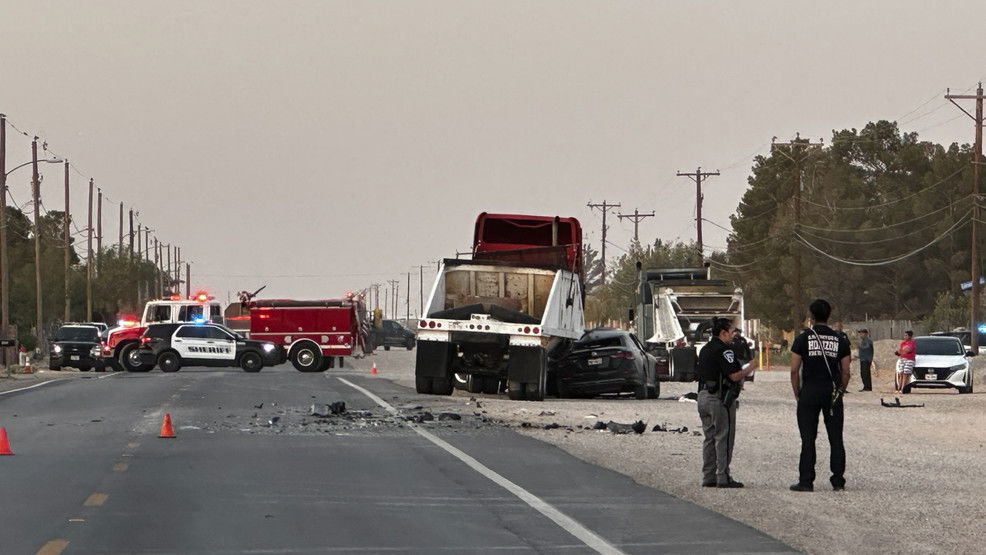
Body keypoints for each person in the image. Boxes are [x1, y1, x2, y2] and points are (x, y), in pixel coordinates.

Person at [789, 299, 851, 492]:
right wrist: (840, 390)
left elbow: (794, 370)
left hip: (810, 391)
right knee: (836, 438)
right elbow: (846, 371)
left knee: (808, 438)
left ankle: (806, 480)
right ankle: (838, 480)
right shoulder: (840, 339)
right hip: (832, 392)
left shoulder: (802, 339)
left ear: (811, 317)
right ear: (828, 315)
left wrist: (798, 392)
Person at [696, 317, 755, 488]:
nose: (733, 335)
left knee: (709, 437)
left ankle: (708, 476)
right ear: (722, 333)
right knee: (724, 437)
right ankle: (723, 476)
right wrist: (750, 367)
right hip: (719, 399)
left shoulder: (705, 349)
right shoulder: (724, 351)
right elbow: (734, 375)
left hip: (703, 396)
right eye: (730, 332)